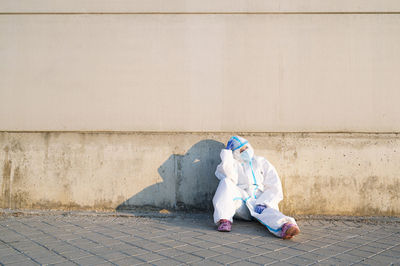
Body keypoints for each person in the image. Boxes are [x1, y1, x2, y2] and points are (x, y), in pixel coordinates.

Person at [212, 136, 300, 239]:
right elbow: (227, 176)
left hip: (261, 201)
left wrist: (265, 202)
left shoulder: (261, 162)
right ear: (235, 153)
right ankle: (224, 220)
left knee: (269, 212)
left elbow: (274, 184)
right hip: (243, 203)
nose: (245, 151)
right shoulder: (234, 164)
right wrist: (227, 155)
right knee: (225, 182)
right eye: (241, 150)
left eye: (246, 148)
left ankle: (285, 226)